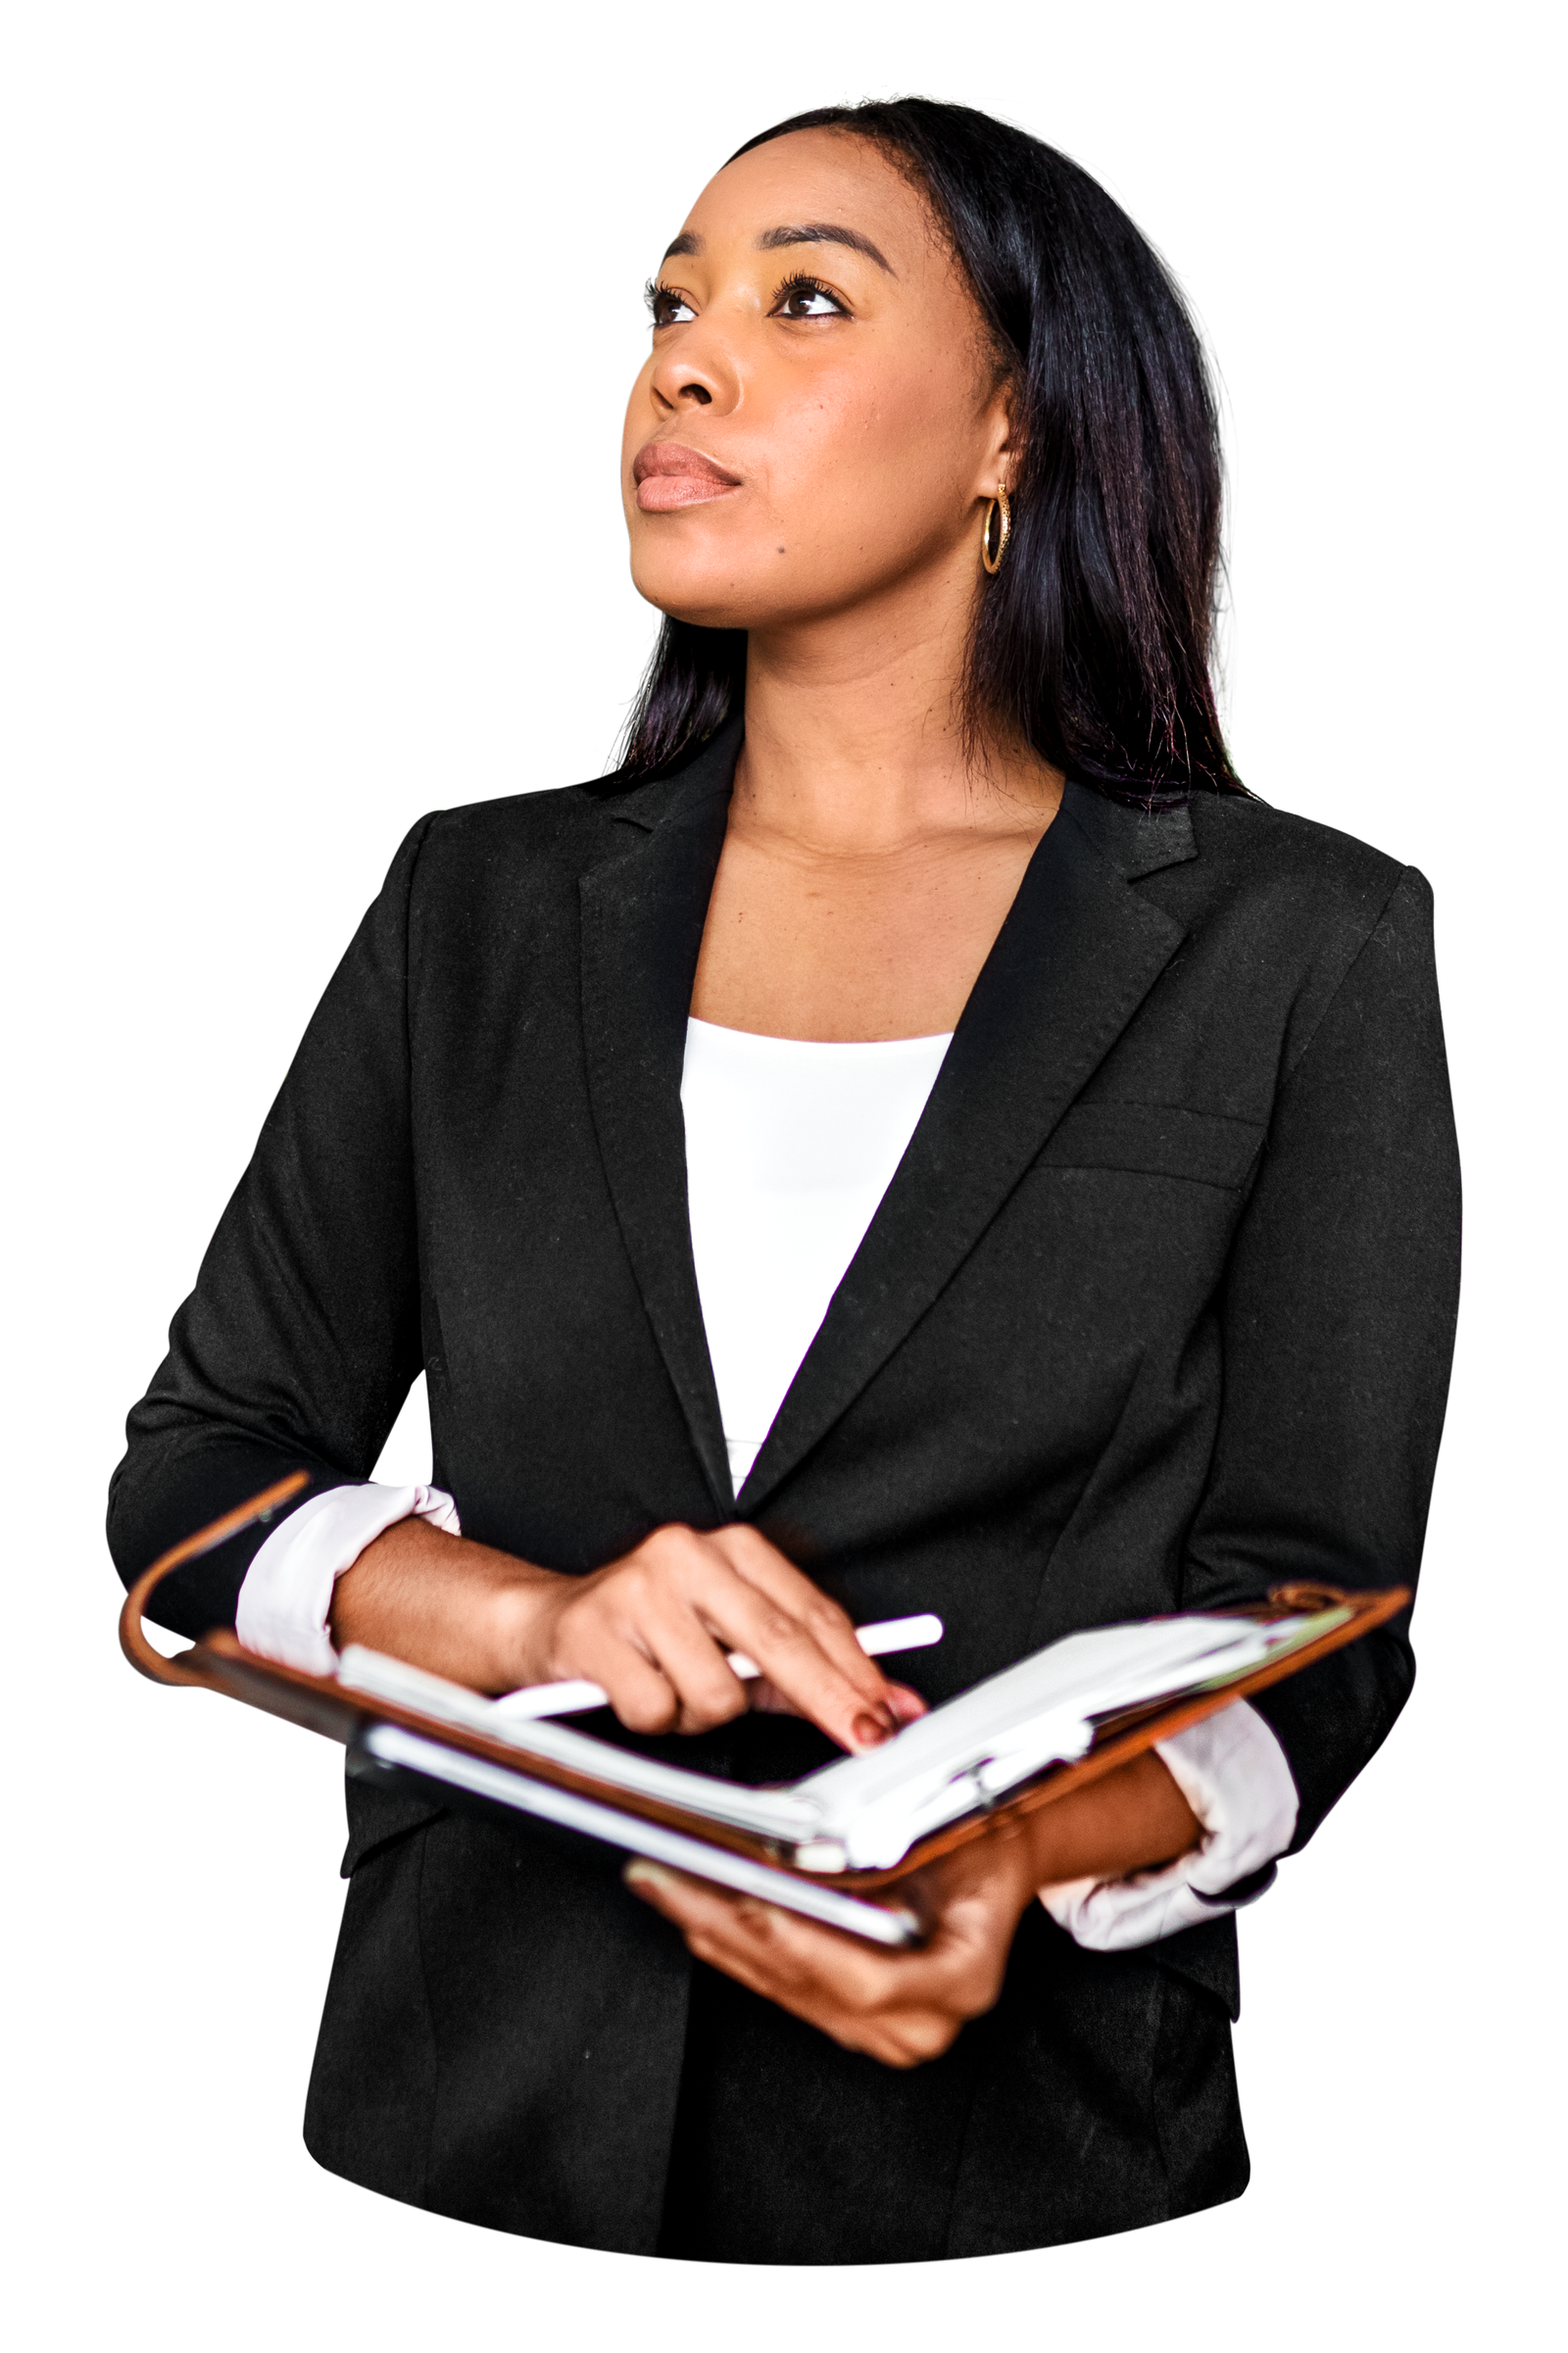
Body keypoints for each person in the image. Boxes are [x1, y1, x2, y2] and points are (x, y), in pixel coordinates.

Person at [108, 94, 1461, 2265]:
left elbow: (1316, 1619)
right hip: (457, 2128)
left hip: (1014, 2171)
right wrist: (536, 1619)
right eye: (666, 310)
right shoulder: (474, 902)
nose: (685, 365)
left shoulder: (1304, 942)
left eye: (802, 301)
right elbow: (193, 1477)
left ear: (1012, 428)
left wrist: (1013, 1860)